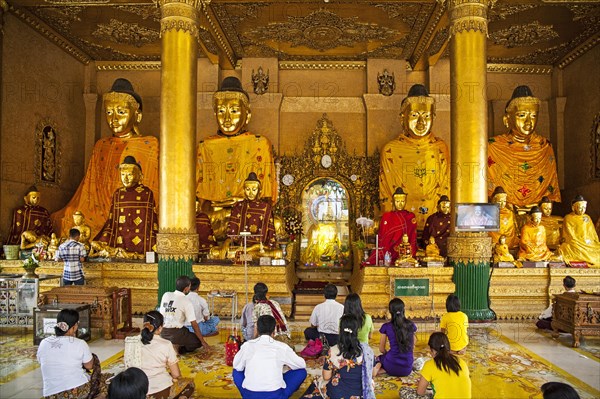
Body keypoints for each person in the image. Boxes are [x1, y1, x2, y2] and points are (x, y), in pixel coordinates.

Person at [51, 78, 160, 237]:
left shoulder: (149, 144)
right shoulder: (101, 144)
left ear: (138, 116)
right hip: (98, 207)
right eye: (109, 112)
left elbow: (154, 185)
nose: (114, 119)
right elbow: (89, 186)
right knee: (65, 216)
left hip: (134, 205)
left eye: (121, 112)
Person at [196, 76, 277, 204]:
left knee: (276, 223)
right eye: (221, 111)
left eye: (234, 110)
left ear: (247, 115)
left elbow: (265, 200)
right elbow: (200, 202)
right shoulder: (205, 146)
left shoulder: (259, 143)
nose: (227, 118)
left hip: (249, 212)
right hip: (216, 213)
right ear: (215, 114)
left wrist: (241, 204)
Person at [379, 84, 450, 229]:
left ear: (433, 117)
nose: (421, 123)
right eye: (414, 116)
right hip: (401, 226)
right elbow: (386, 195)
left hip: (436, 225)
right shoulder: (390, 151)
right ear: (402, 118)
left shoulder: (440, 148)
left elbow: (446, 188)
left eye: (426, 116)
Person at [487, 85, 561, 208]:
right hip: (505, 212)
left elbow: (549, 190)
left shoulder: (544, 146)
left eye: (533, 116)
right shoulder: (494, 146)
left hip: (538, 213)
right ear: (507, 119)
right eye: (521, 115)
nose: (528, 122)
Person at [92, 155, 158, 258]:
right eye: (123, 174)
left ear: (139, 176)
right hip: (120, 236)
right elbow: (112, 220)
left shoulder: (147, 193)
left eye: (129, 175)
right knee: (96, 244)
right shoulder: (118, 193)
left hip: (141, 236)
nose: (125, 179)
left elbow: (151, 221)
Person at [301, 314, 376, 399]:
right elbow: (372, 373)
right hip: (362, 393)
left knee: (318, 382)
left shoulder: (333, 350)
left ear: (340, 330)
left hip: (339, 394)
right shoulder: (367, 350)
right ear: (357, 331)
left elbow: (326, 377)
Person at [37, 308, 107, 398]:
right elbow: (89, 366)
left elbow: (42, 361)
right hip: (76, 391)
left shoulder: (44, 343)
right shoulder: (80, 343)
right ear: (74, 327)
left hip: (50, 394)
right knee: (107, 382)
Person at [232, 315, 307, 399]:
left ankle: (246, 395)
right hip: (275, 395)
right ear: (274, 330)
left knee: (236, 371)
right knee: (301, 372)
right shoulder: (282, 347)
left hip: (250, 394)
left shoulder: (247, 345)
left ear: (257, 329)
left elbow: (236, 365)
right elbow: (302, 364)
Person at [210, 172, 280, 259]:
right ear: (244, 190)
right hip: (240, 247)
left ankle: (243, 257)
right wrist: (226, 244)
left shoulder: (266, 207)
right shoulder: (239, 206)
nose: (251, 193)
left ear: (259, 191)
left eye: (254, 190)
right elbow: (232, 232)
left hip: (259, 248)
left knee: (277, 253)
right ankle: (245, 257)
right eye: (248, 189)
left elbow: (270, 233)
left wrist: (264, 247)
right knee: (215, 253)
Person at [127, 310, 194, 399]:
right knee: (189, 384)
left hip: (134, 391)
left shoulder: (131, 341)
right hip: (159, 391)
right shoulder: (166, 344)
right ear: (161, 328)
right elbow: (176, 374)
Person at [364, 187, 417, 265]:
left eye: (402, 201)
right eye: (397, 201)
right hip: (389, 250)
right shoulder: (387, 216)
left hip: (405, 250)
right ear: (393, 202)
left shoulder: (410, 216)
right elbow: (383, 236)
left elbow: (413, 236)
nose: (400, 204)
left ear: (406, 202)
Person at [159, 275, 210, 354]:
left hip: (161, 331)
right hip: (175, 333)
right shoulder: (185, 301)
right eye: (189, 286)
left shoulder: (166, 294)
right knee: (196, 342)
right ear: (186, 289)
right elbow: (194, 324)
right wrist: (202, 341)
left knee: (185, 331)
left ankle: (168, 344)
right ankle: (178, 348)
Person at [416, 332, 471, 399]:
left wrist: (427, 389)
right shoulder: (462, 362)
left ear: (432, 350)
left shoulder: (429, 365)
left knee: (404, 391)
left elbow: (420, 392)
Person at [373, 298, 417, 377]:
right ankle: (384, 369)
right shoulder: (411, 325)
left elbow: (381, 349)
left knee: (378, 358)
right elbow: (413, 344)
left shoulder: (386, 327)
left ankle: (380, 368)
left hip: (391, 365)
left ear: (390, 311)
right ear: (403, 310)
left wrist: (387, 355)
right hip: (407, 368)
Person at [558, 195, 600, 267]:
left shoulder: (587, 217)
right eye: (580, 207)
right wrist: (579, 241)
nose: (582, 210)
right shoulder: (568, 218)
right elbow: (569, 234)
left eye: (584, 207)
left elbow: (592, 233)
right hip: (575, 242)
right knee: (566, 248)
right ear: (574, 207)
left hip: (587, 242)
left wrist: (591, 241)